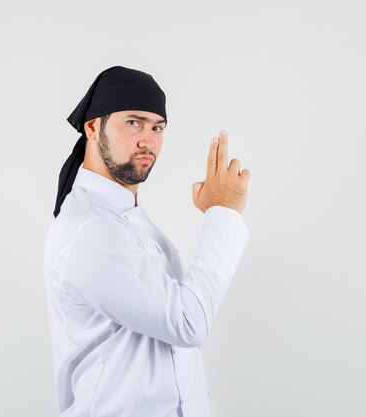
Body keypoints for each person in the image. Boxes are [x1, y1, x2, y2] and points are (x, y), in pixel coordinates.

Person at [43, 65, 251, 417]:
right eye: (133, 123)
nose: (148, 141)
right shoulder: (91, 230)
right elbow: (187, 322)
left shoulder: (125, 219)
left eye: (158, 127)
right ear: (93, 127)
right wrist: (222, 213)